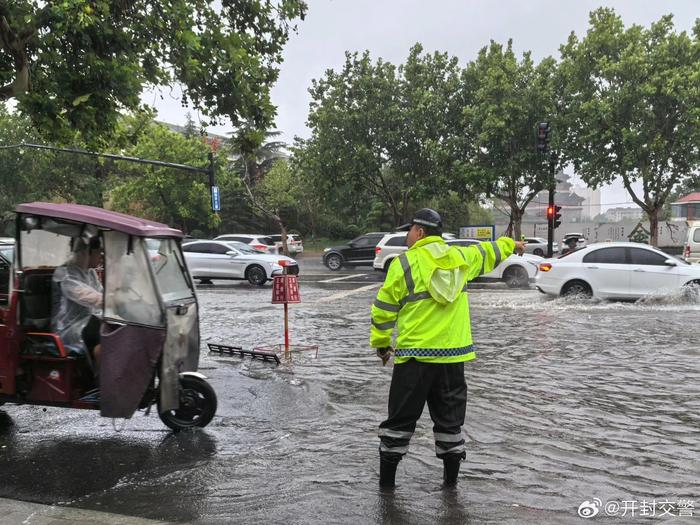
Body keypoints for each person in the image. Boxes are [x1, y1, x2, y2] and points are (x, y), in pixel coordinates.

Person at [370, 208, 525, 489]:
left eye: (409, 231)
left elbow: (383, 311)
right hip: (453, 359)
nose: (407, 236)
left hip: (414, 359)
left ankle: (386, 491)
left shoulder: (404, 263)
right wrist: (511, 245)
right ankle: (450, 490)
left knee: (399, 424)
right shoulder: (460, 258)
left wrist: (381, 345)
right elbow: (489, 252)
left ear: (419, 232)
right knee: (450, 425)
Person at [51, 236, 104, 374]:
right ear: (87, 252)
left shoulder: (90, 272)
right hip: (70, 329)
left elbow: (102, 293)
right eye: (99, 252)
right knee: (105, 342)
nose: (101, 257)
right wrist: (113, 300)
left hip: (88, 322)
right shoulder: (65, 273)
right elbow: (87, 296)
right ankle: (102, 386)